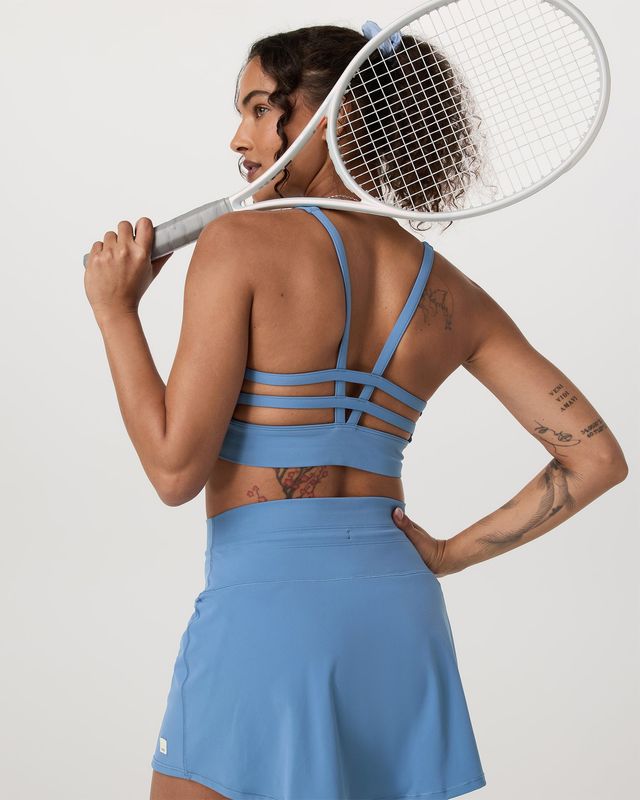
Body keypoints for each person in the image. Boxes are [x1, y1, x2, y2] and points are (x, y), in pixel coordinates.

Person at [84, 23, 629, 800]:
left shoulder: (239, 244)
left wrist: (115, 313)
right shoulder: (451, 293)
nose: (238, 137)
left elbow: (175, 471)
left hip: (267, 614)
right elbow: (596, 458)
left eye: (259, 108)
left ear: (334, 116)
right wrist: (449, 554)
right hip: (398, 615)